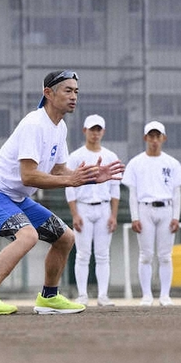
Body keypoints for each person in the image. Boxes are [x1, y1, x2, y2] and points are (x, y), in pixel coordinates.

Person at [0, 70, 125, 316]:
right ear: (48, 93)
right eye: (67, 90)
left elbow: (61, 169)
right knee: (28, 236)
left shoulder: (59, 127)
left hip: (17, 198)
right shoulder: (34, 124)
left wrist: (93, 177)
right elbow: (29, 176)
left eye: (76, 91)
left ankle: (49, 297)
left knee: (65, 238)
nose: (74, 96)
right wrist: (70, 181)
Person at [122, 121, 181, 307]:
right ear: (145, 138)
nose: (154, 140)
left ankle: (165, 295)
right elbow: (133, 194)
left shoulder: (171, 163)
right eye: (151, 136)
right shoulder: (136, 163)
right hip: (145, 208)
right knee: (146, 255)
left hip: (166, 208)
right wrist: (135, 217)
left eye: (158, 136)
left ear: (163, 138)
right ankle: (147, 295)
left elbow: (176, 193)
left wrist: (176, 217)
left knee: (165, 255)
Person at [65, 114, 121, 307]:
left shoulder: (110, 156)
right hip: (83, 206)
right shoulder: (76, 156)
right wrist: (75, 214)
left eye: (98, 130)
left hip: (103, 207)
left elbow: (115, 188)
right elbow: (69, 186)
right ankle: (82, 294)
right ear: (84, 131)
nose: (95, 133)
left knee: (103, 253)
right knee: (82, 254)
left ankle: (103, 295)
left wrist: (113, 215)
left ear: (103, 132)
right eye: (92, 130)